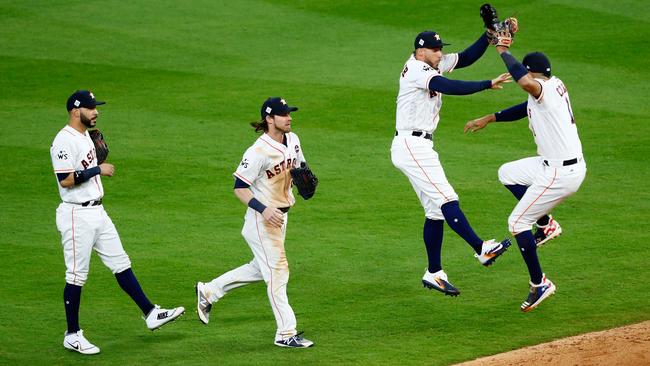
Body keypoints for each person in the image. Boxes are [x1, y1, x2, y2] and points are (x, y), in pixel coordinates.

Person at [50, 90, 185, 355]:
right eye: (91, 108)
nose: (96, 111)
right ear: (76, 111)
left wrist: (93, 164)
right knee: (76, 275)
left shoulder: (87, 135)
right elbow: (65, 179)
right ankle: (73, 334)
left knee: (120, 262)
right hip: (77, 215)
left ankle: (150, 313)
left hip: (98, 212)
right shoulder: (63, 141)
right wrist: (97, 169)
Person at [464, 33, 586, 311]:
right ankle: (545, 224)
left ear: (532, 73)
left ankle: (539, 283)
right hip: (550, 165)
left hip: (562, 174)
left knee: (517, 223)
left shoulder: (539, 87)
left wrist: (503, 51)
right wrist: (490, 118)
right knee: (508, 173)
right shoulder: (550, 87)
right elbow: (526, 107)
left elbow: (524, 83)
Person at [391, 30, 513, 297]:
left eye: (440, 49)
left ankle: (434, 273)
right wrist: (487, 84)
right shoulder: (416, 70)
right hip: (411, 146)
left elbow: (467, 58)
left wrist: (488, 35)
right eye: (436, 50)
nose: (440, 54)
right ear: (421, 51)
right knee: (447, 198)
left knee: (435, 211)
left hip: (418, 145)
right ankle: (481, 249)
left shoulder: (433, 62)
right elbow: (448, 86)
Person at [196, 97, 314, 348]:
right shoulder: (257, 151)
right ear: (270, 119)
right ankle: (285, 333)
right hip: (262, 220)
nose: (289, 118)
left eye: (289, 113)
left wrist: (306, 180)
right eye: (283, 115)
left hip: (281, 217)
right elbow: (240, 188)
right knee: (278, 272)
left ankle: (209, 291)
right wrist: (263, 208)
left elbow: (301, 167)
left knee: (260, 269)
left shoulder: (293, 140)